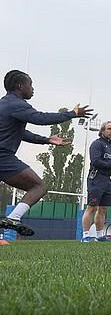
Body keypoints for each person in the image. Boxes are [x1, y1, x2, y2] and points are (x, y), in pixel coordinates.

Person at [0, 70, 92, 237]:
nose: (33, 89)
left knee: (34, 187)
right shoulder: (17, 105)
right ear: (20, 86)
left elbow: (21, 133)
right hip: (3, 157)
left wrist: (47, 140)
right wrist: (72, 114)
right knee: (39, 186)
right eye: (30, 84)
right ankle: (13, 218)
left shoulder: (5, 104)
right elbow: (41, 118)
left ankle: (13, 219)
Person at [81, 121, 111, 242]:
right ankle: (85, 236)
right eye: (109, 128)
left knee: (103, 208)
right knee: (91, 207)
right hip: (96, 178)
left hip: (107, 179)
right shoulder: (97, 144)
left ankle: (99, 236)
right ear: (102, 130)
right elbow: (96, 161)